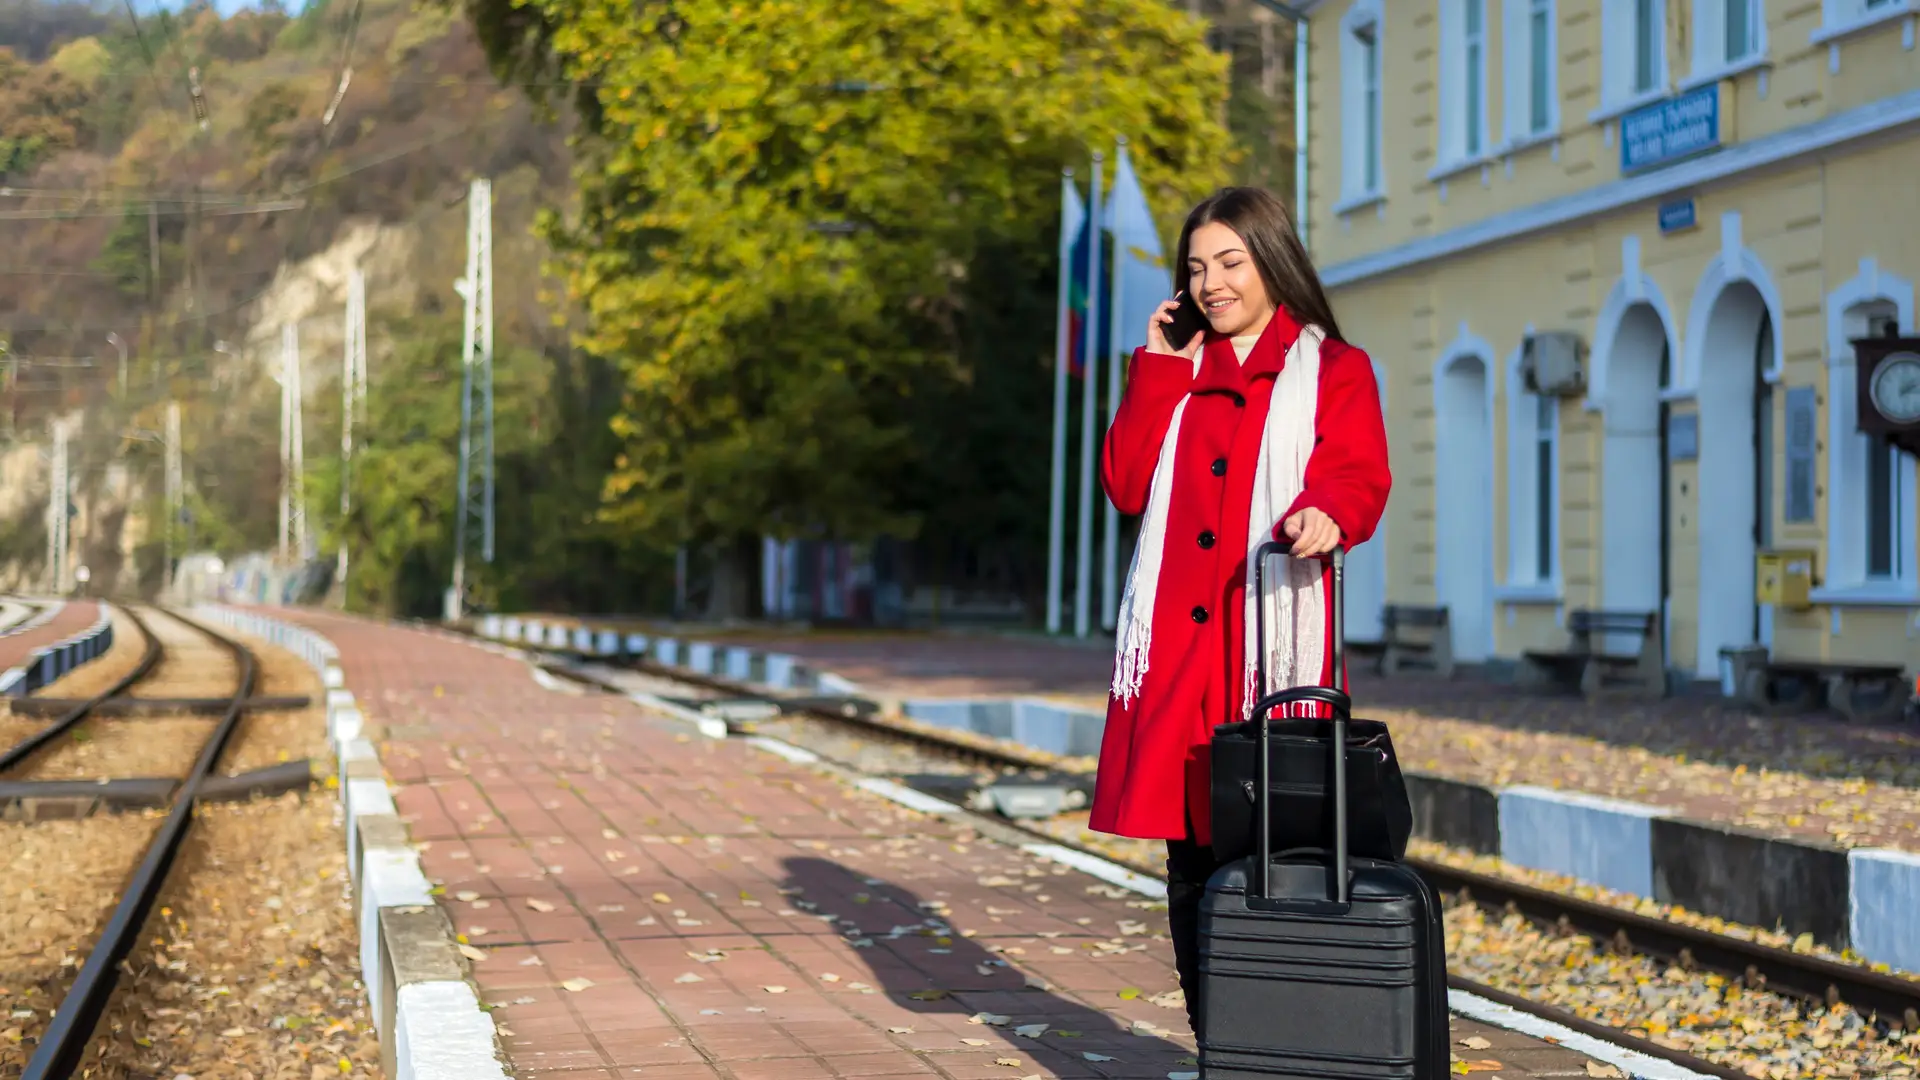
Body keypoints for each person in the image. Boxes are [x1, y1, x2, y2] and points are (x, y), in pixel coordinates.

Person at [1091, 185, 1391, 1038]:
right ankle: (1220, 1047)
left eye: (1229, 261)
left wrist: (1327, 510)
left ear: (1272, 261)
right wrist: (1154, 367)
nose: (1212, 283)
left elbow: (1358, 474)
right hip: (1180, 671)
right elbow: (1123, 483)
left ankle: (1285, 1043)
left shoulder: (1333, 369)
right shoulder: (1176, 375)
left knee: (1281, 862)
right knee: (1192, 870)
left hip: (1270, 662)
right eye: (1196, 267)